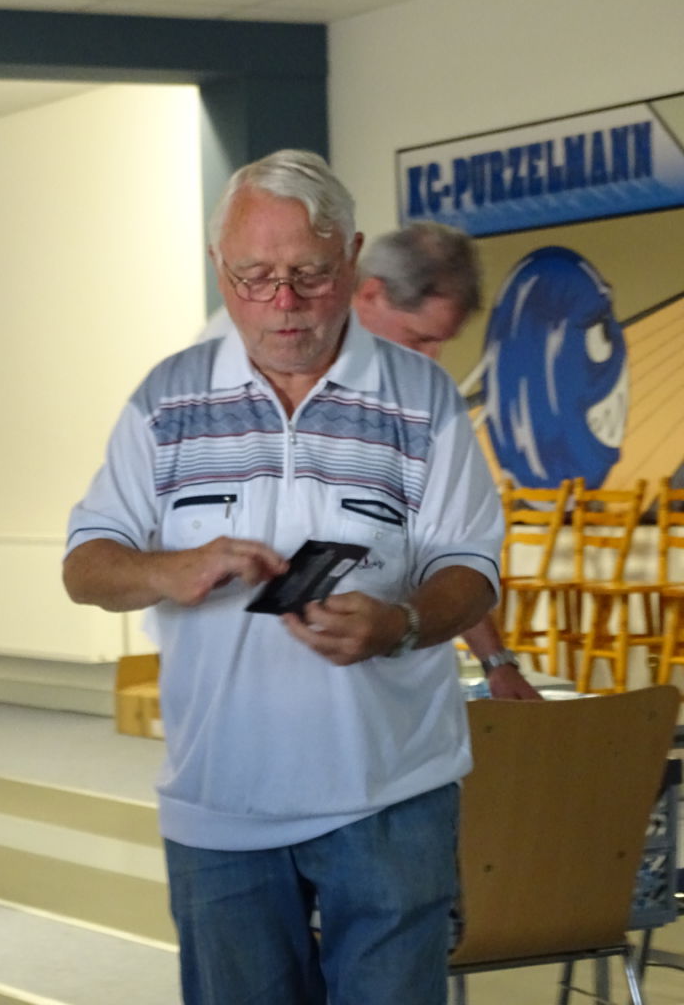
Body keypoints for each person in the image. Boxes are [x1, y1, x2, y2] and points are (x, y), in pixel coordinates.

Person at [63, 149, 503, 1005]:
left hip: (390, 796)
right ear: (218, 269)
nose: (283, 303)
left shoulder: (423, 399)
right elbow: (87, 564)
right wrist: (171, 568)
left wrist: (401, 624)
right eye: (254, 277)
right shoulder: (167, 399)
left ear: (354, 259)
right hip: (220, 804)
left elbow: (471, 568)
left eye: (309, 274)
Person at [354, 222, 541, 701]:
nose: (433, 358)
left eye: (441, 342)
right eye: (419, 339)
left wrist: (496, 662)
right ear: (370, 295)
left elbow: (450, 549)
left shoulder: (423, 400)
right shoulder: (280, 378)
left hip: (407, 679)